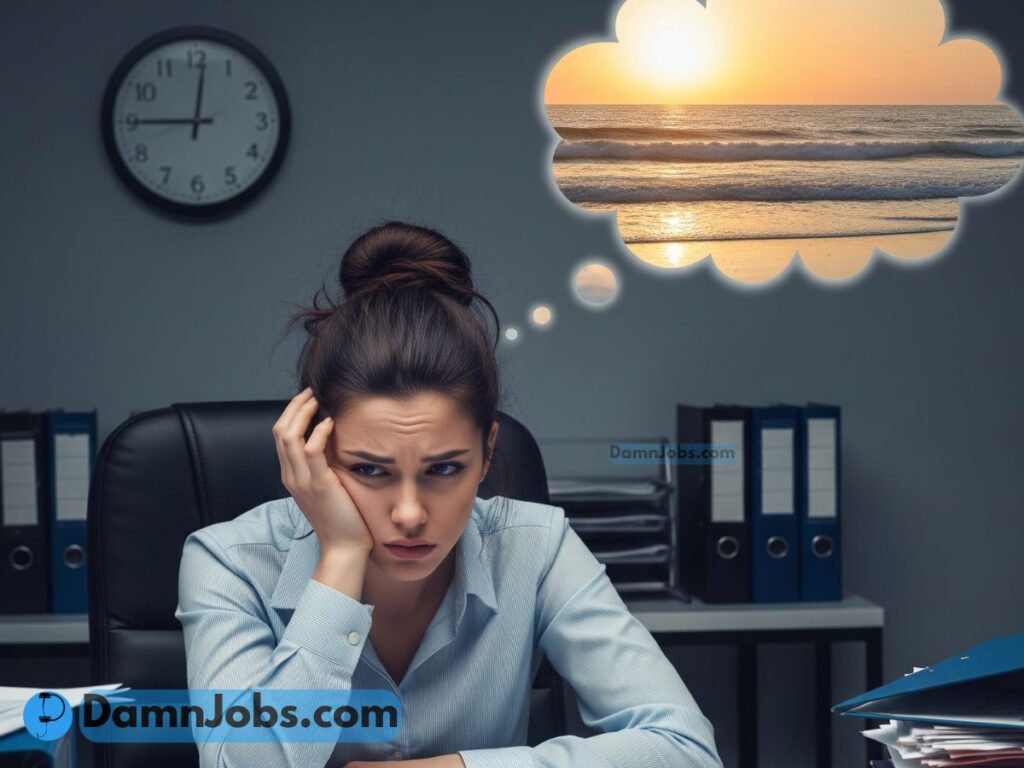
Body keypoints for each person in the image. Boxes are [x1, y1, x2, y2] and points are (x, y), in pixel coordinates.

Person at [175, 220, 723, 768]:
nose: (410, 513)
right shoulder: (228, 561)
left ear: (487, 452)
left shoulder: (536, 547)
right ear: (314, 454)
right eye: (369, 470)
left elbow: (685, 750)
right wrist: (341, 558)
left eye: (443, 469)